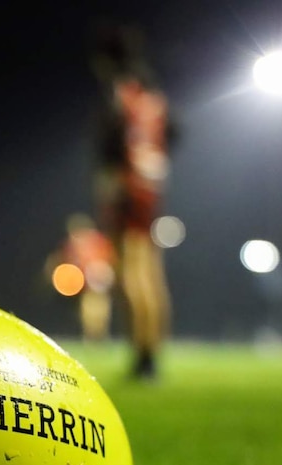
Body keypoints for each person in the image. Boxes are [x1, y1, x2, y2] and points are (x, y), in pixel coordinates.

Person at [90, 23, 178, 381]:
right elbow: (174, 136)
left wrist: (111, 188)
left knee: (131, 275)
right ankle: (153, 352)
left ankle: (144, 357)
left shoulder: (120, 94)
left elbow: (113, 150)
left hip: (128, 193)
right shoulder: (153, 94)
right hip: (151, 191)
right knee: (152, 274)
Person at [45, 213, 117, 342]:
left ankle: (97, 335)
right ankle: (93, 335)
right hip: (82, 279)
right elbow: (63, 259)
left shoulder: (97, 240)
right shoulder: (72, 243)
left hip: (97, 275)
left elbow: (109, 257)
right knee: (89, 306)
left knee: (96, 306)